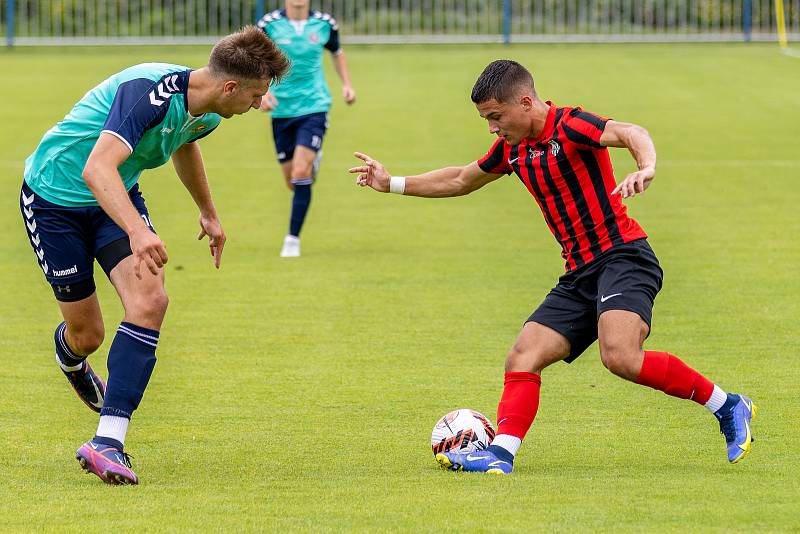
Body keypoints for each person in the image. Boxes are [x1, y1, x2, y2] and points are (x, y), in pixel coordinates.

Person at [350, 60, 757, 474]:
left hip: (624, 256)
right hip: (579, 272)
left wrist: (646, 166)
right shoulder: (512, 148)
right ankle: (500, 456)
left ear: (525, 102)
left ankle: (728, 405)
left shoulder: (572, 125)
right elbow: (460, 179)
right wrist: (392, 183)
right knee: (522, 356)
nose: (492, 127)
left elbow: (630, 132)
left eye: (495, 116)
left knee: (620, 357)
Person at [19, 26, 289, 485]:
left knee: (151, 303)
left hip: (113, 196)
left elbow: (186, 143)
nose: (258, 104)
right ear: (230, 87)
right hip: (53, 201)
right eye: (256, 95)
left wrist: (209, 212)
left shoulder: (208, 112)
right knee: (88, 335)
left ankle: (107, 441)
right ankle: (70, 358)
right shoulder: (149, 92)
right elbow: (95, 168)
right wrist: (138, 230)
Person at [258, 0, 356, 257]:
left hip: (315, 105)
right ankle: (313, 161)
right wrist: (262, 94)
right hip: (281, 109)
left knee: (301, 171)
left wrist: (347, 84)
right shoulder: (269, 25)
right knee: (294, 181)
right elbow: (256, 61)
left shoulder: (325, 24)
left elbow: (337, 52)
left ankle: (292, 239)